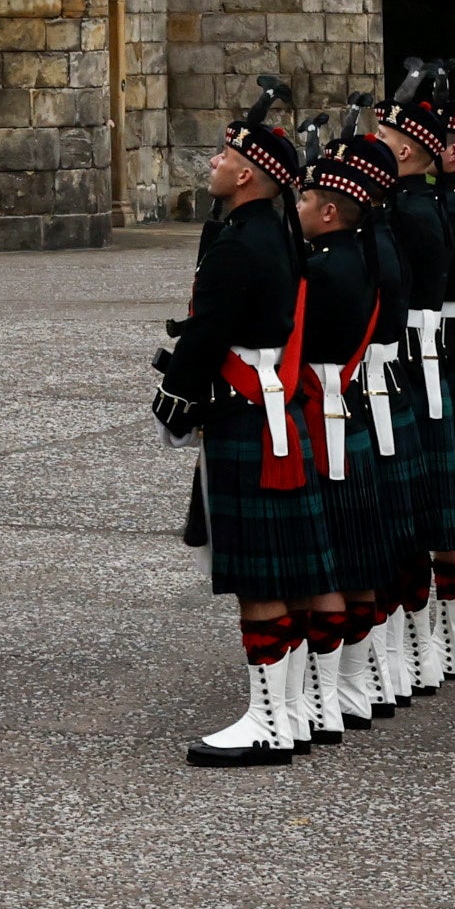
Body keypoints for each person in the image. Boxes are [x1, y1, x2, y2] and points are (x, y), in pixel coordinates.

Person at [157, 90, 322, 760]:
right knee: (283, 576)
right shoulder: (276, 236)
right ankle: (289, 713)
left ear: (248, 173)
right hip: (274, 410)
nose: (217, 162)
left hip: (243, 418)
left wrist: (175, 402)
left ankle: (266, 720)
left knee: (257, 579)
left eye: (227, 153)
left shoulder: (237, 247)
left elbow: (205, 337)